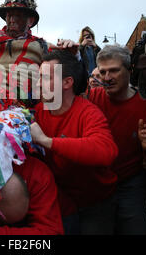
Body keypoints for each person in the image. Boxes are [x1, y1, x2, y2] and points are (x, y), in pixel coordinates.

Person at [29, 50, 118, 234]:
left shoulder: (88, 113)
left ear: (67, 82)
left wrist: (47, 141)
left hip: (96, 204)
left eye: (45, 78)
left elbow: (106, 151)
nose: (38, 84)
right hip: (63, 202)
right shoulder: (38, 112)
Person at [89, 45, 146, 235]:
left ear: (129, 70)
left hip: (132, 185)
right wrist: (72, 55)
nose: (107, 78)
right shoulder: (92, 97)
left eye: (114, 70)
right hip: (98, 185)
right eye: (103, 72)